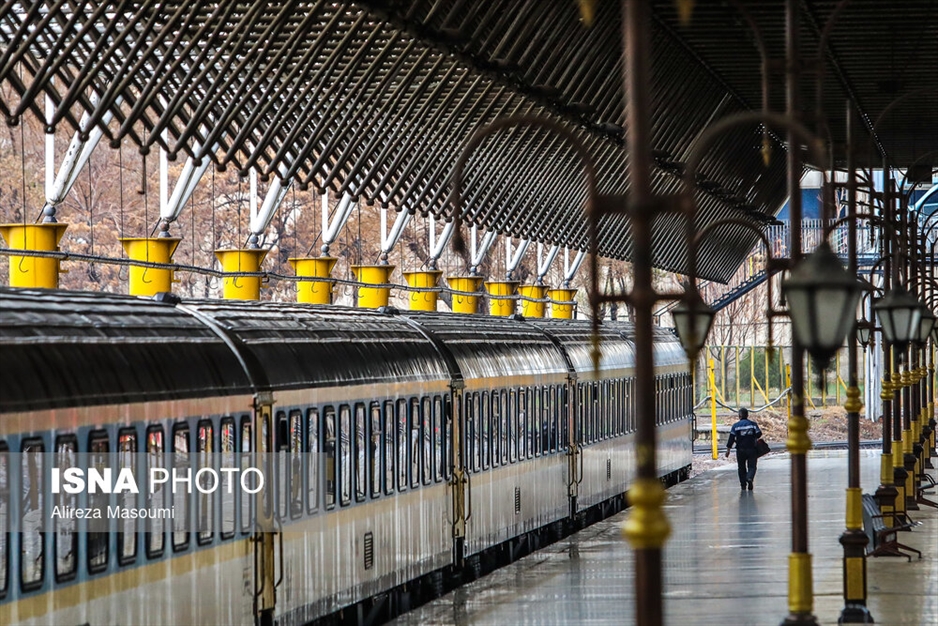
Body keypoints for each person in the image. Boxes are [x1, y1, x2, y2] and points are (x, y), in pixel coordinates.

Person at [725, 407, 762, 491]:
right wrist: (751, 436)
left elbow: (731, 439)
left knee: (741, 468)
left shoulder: (735, 426)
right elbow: (759, 434)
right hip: (752, 449)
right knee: (752, 466)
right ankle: (749, 478)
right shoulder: (753, 424)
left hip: (740, 450)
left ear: (739, 416)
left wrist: (728, 450)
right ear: (747, 415)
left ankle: (743, 485)